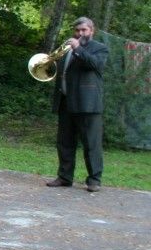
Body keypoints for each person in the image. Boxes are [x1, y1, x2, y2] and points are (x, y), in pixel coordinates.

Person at [47, 17, 109, 192]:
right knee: (64, 142)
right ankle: (65, 177)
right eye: (77, 30)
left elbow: (95, 65)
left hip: (88, 104)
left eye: (84, 30)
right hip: (66, 101)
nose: (80, 33)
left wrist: (78, 48)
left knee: (91, 143)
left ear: (92, 30)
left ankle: (94, 180)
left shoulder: (99, 48)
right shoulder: (67, 49)